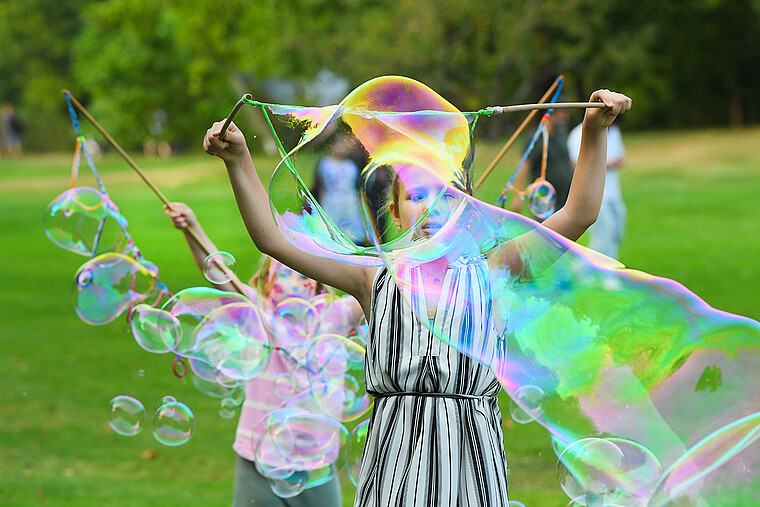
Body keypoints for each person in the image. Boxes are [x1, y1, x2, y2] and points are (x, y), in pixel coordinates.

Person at [202, 87, 631, 507]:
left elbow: (578, 214)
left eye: (446, 196)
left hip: (469, 469)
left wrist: (595, 129)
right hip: (393, 469)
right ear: (395, 211)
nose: (431, 207)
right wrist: (238, 160)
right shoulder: (374, 280)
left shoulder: (494, 271)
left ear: (465, 207)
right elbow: (272, 239)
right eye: (416, 196)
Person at [164, 201, 361, 507]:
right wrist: (192, 228)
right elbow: (217, 272)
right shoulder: (259, 313)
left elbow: (379, 288)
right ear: (268, 279)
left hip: (317, 458)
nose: (299, 279)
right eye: (287, 272)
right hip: (257, 456)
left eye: (306, 273)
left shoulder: (336, 316)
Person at [567, 119, 626, 259]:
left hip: (614, 194)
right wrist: (608, 164)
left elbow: (620, 155)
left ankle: (585, 271)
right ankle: (605, 277)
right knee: (603, 239)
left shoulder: (614, 131)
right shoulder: (578, 133)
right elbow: (577, 164)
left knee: (616, 234)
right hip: (596, 197)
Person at [512, 108, 574, 216]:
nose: (565, 116)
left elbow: (568, 161)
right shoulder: (537, 136)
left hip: (565, 198)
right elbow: (524, 165)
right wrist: (518, 197)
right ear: (551, 114)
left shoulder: (561, 134)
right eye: (561, 112)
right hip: (544, 199)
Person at [311, 134, 368, 245]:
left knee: (351, 232)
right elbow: (320, 186)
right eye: (338, 145)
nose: (341, 148)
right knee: (331, 229)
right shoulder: (325, 164)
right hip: (331, 201)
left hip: (349, 202)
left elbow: (356, 187)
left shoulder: (350, 165)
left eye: (343, 145)